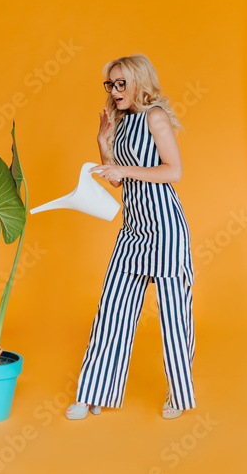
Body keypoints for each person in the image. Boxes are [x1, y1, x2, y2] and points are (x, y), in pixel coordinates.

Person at [65, 53, 196, 421]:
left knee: (174, 315)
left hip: (166, 228)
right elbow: (118, 179)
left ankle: (179, 394)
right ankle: (92, 392)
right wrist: (104, 141)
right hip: (133, 229)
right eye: (110, 84)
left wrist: (122, 165)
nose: (115, 90)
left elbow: (174, 171)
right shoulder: (119, 121)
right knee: (112, 310)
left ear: (140, 81)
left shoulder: (155, 116)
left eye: (121, 83)